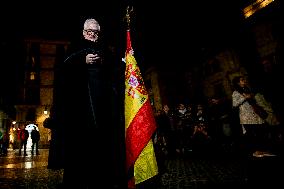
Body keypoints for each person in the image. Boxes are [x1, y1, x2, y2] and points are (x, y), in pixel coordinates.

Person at [52, 18, 125, 188]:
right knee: (81, 147)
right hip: (80, 109)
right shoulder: (74, 48)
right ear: (83, 32)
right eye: (89, 31)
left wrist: (126, 60)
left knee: (103, 144)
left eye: (96, 32)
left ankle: (104, 178)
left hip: (104, 107)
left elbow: (116, 68)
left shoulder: (105, 49)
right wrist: (82, 62)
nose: (92, 35)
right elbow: (63, 71)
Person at [232, 76, 276, 157]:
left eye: (244, 79)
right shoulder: (236, 92)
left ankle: (263, 150)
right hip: (246, 117)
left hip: (255, 114)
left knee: (262, 131)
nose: (244, 81)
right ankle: (257, 151)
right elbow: (234, 104)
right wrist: (244, 97)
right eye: (242, 80)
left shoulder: (247, 89)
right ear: (238, 82)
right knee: (253, 134)